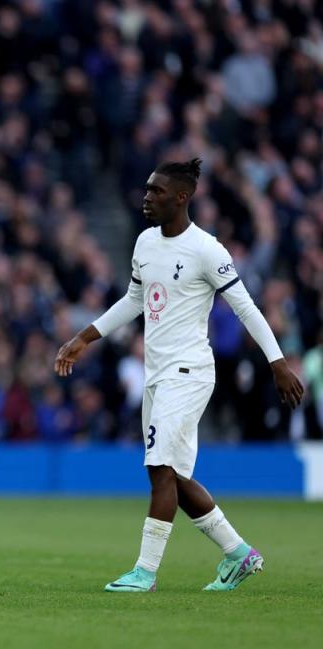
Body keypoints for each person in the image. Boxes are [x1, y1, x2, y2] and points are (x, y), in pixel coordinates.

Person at [54, 158, 304, 592]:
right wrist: (84, 337)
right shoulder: (145, 243)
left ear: (182, 198)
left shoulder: (207, 250)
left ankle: (145, 573)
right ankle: (239, 554)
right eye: (147, 190)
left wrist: (277, 362)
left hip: (189, 372)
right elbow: (134, 300)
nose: (146, 198)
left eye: (156, 192)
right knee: (170, 476)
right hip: (157, 373)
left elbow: (246, 307)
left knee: (162, 468)